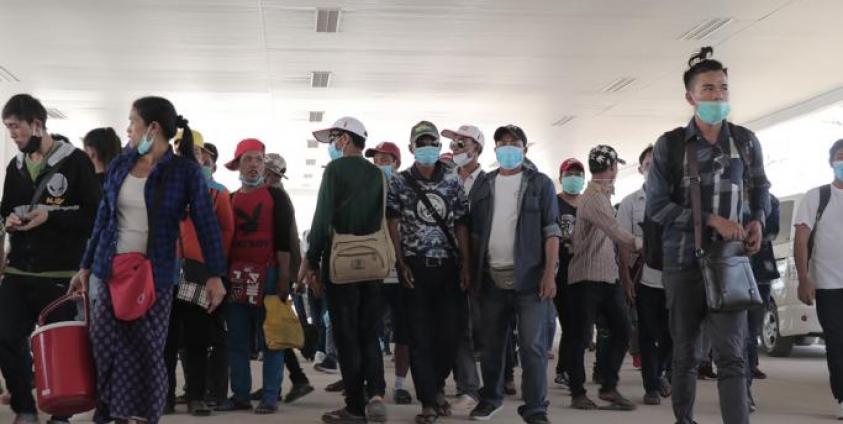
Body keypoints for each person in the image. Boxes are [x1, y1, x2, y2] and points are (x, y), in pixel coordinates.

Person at [70, 96, 227, 424]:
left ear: (152, 128)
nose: (127, 129)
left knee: (145, 351)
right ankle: (109, 412)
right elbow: (103, 218)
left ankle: (142, 415)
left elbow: (206, 223)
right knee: (104, 345)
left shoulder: (184, 172)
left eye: (132, 122)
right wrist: (85, 265)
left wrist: (215, 275)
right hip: (109, 269)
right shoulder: (120, 164)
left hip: (154, 274)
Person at [646, 47, 769, 424]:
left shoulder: (746, 142)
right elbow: (657, 208)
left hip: (730, 263)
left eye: (724, 88)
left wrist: (759, 220)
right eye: (709, 89)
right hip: (683, 264)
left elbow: (761, 187)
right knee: (686, 354)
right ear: (690, 97)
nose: (718, 96)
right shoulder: (670, 145)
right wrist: (710, 220)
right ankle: (685, 419)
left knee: (732, 356)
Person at [0, 94, 101, 424]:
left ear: (38, 124)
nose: (12, 135)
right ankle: (25, 408)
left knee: (62, 347)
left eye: (16, 128)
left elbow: (93, 215)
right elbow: (6, 210)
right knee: (5, 335)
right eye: (8, 129)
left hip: (59, 273)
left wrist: (51, 216)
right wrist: (9, 222)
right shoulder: (15, 167)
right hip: (18, 269)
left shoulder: (75, 162)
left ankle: (61, 414)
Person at [467, 124, 560, 424]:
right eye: (502, 143)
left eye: (514, 143)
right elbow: (476, 233)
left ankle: (535, 408)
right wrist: (470, 271)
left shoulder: (540, 184)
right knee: (492, 345)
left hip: (530, 281)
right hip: (492, 278)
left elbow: (551, 232)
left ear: (524, 148)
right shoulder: (484, 184)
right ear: (495, 150)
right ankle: (490, 399)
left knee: (533, 347)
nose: (508, 148)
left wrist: (549, 274)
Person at [299, 116, 388, 424]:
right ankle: (376, 393)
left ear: (346, 140)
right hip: (374, 263)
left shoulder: (335, 170)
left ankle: (354, 406)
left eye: (334, 139)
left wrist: (312, 260)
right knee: (369, 332)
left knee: (347, 336)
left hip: (341, 265)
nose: (332, 146)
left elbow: (322, 219)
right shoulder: (378, 174)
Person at [387, 121, 471, 424]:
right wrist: (401, 263)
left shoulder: (452, 180)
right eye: (420, 143)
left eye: (431, 143)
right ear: (411, 148)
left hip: (449, 268)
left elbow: (462, 223)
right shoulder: (399, 182)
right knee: (419, 337)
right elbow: (392, 225)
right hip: (415, 267)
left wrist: (466, 264)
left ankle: (436, 387)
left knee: (449, 335)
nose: (426, 148)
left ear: (439, 147)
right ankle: (427, 401)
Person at [216, 138, 296, 415]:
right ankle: (240, 395)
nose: (253, 165)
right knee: (237, 339)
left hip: (270, 275)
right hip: (236, 276)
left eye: (258, 160)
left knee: (270, 338)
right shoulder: (229, 199)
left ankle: (270, 396)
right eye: (248, 159)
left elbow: (285, 240)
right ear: (238, 164)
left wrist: (285, 277)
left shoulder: (277, 197)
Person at [164, 129, 235, 416]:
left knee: (196, 338)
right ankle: (165, 396)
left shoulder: (215, 191)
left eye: (193, 151)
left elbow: (226, 232)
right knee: (165, 340)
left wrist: (214, 269)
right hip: (164, 271)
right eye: (180, 149)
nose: (186, 156)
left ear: (203, 156)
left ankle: (196, 396)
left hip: (197, 271)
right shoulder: (160, 185)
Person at [567, 144, 638, 411]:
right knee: (580, 337)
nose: (617, 170)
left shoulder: (603, 196)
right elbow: (615, 231)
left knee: (623, 330)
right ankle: (577, 392)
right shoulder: (594, 198)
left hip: (607, 279)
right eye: (616, 165)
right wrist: (641, 244)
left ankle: (609, 386)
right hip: (586, 278)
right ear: (610, 168)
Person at [617, 145, 672, 406]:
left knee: (673, 334)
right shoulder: (630, 203)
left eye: (658, 163)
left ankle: (660, 372)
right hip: (645, 280)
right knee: (648, 333)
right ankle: (651, 386)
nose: (653, 169)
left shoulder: (678, 200)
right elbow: (622, 244)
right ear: (640, 169)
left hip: (676, 280)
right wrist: (625, 278)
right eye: (648, 164)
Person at [261, 151, 316, 405]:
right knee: (269, 327)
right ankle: (280, 382)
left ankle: (298, 378)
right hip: (274, 269)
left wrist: (290, 276)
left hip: (277, 270)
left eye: (264, 170)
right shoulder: (272, 194)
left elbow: (287, 239)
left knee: (273, 327)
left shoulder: (277, 196)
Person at [795, 139, 843, 419]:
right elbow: (801, 238)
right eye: (840, 157)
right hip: (828, 284)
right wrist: (804, 278)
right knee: (837, 342)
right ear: (831, 162)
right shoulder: (817, 196)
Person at [365, 141, 414, 405]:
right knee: (370, 329)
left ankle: (400, 384)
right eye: (377, 160)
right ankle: (374, 386)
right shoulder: (366, 189)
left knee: (403, 331)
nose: (380, 164)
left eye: (385, 160)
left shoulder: (407, 189)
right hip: (373, 271)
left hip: (401, 270)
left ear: (396, 162)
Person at [441, 125, 485, 410]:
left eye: (463, 141)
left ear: (477, 148)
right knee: (450, 327)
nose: (456, 145)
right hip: (446, 261)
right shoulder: (446, 180)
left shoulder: (489, 182)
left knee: (475, 329)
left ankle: (474, 388)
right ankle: (463, 386)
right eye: (454, 142)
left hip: (480, 263)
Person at [553, 158, 585, 389]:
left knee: (578, 325)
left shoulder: (588, 204)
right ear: (562, 177)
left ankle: (566, 368)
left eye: (577, 173)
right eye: (569, 173)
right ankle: (565, 370)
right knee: (570, 322)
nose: (574, 177)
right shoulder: (554, 204)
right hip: (560, 272)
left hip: (583, 272)